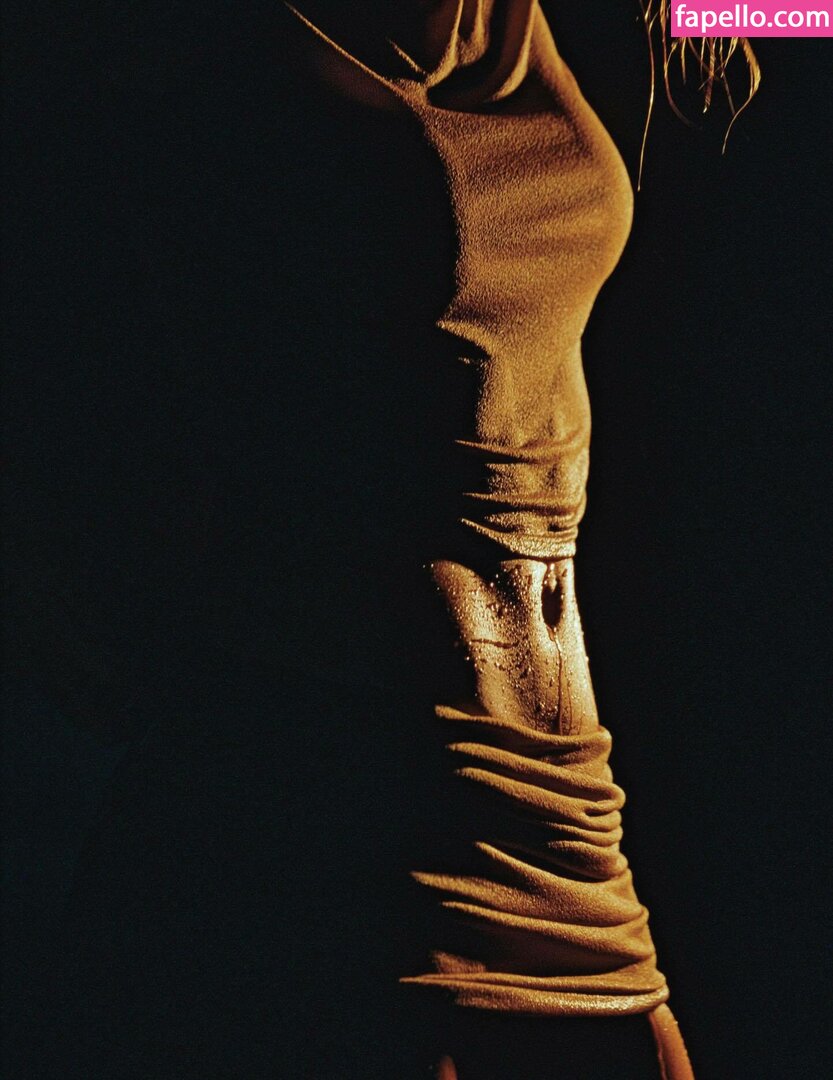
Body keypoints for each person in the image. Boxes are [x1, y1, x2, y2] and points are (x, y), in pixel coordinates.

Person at [5, 2, 753, 1075]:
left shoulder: (546, 18)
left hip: (561, 801)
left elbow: (804, 15)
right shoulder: (208, 45)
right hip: (348, 807)